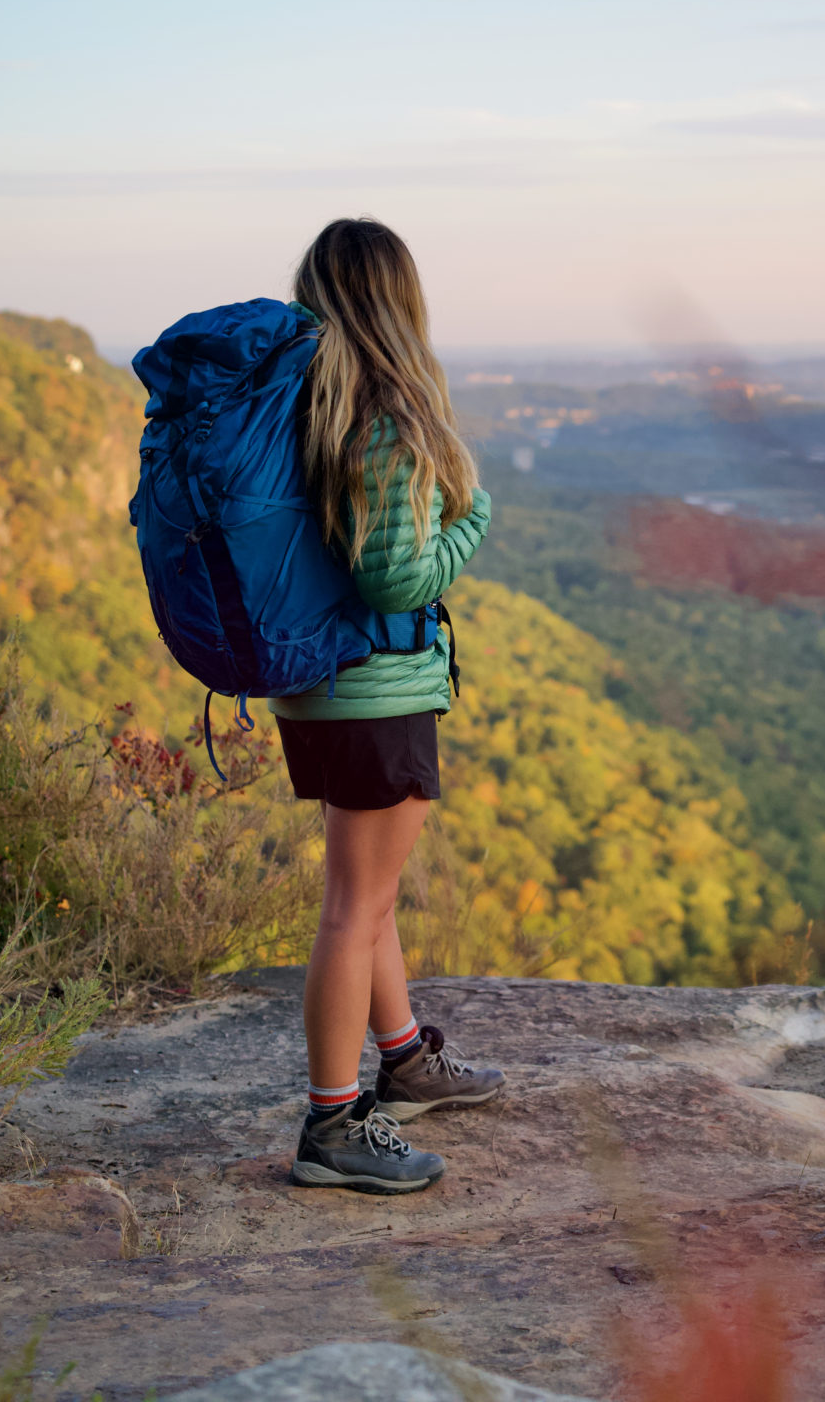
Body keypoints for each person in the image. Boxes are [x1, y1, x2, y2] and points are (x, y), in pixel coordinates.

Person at [273, 217, 503, 1193]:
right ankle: (333, 1125)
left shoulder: (303, 409)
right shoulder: (386, 420)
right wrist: (473, 519)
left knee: (368, 896)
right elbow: (398, 578)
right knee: (353, 909)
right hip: (376, 689)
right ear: (397, 304)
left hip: (318, 689)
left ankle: (404, 1061)